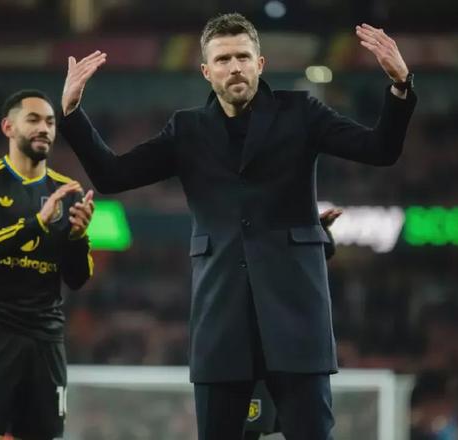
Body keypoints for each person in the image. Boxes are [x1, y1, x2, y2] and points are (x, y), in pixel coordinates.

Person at [59, 12, 416, 440]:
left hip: (296, 321)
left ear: (260, 64)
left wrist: (400, 86)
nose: (235, 67)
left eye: (243, 57)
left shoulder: (301, 112)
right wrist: (72, 113)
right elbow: (113, 175)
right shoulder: (187, 129)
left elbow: (379, 149)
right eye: (223, 59)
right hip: (221, 325)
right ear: (206, 71)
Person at [0, 89, 95, 440]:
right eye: (33, 119)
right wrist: (37, 223)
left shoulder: (68, 192)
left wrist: (78, 238)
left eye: (50, 122)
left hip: (46, 335)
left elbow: (77, 279)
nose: (44, 128)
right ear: (8, 127)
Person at [244, 208, 341, 440]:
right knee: (246, 429)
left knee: (312, 428)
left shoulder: (291, 207)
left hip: (296, 346)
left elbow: (324, 250)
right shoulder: (238, 218)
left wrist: (313, 227)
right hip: (251, 344)